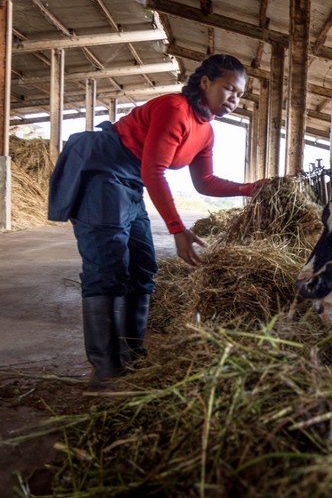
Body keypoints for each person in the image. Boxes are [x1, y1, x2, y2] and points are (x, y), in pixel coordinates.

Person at [48, 54, 267, 388]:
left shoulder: (205, 131)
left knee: (142, 268)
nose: (234, 100)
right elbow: (154, 170)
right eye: (228, 89)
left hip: (130, 184)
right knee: (107, 270)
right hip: (102, 175)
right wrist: (178, 229)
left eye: (239, 94)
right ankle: (105, 369)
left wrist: (252, 188)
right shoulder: (174, 109)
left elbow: (204, 182)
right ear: (205, 83)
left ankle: (132, 356)